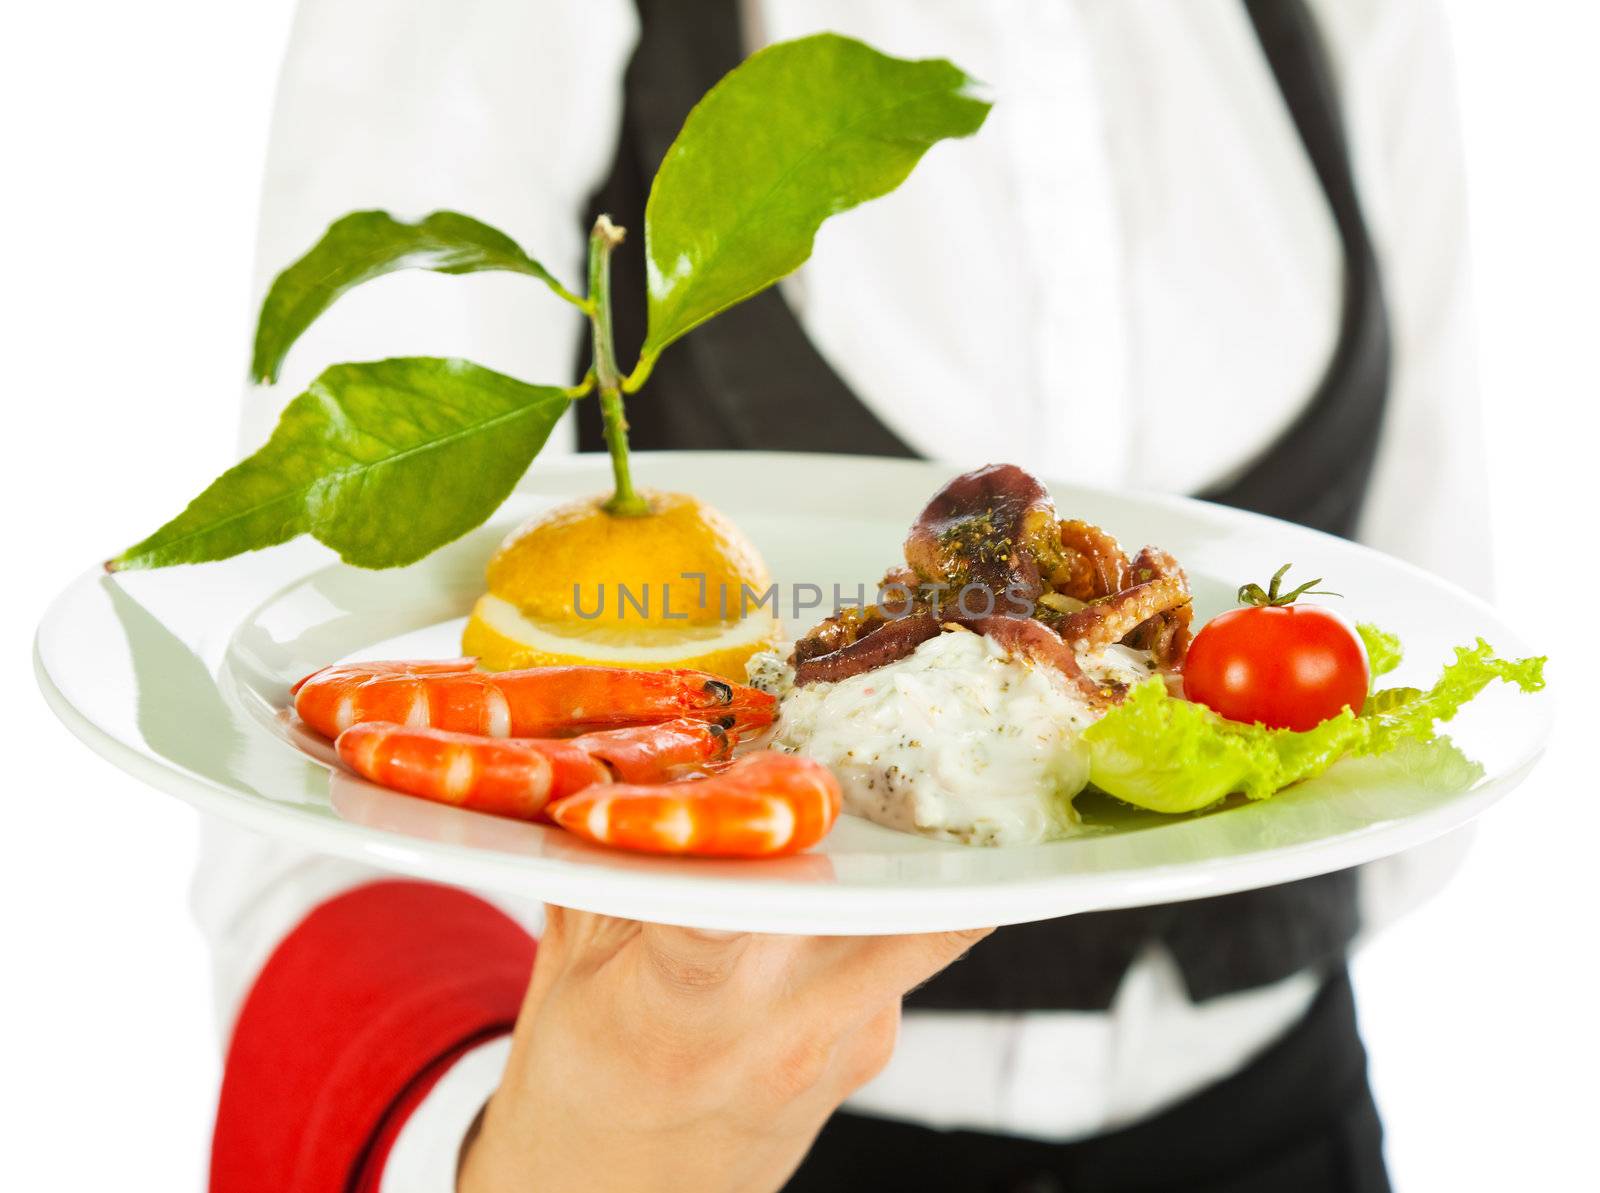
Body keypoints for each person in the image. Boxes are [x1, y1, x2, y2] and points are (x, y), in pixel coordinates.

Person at [206, 1, 1486, 1190]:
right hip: (702, 1151)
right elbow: (306, 745)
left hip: (1285, 1124)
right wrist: (539, 1145)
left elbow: (1431, 615)